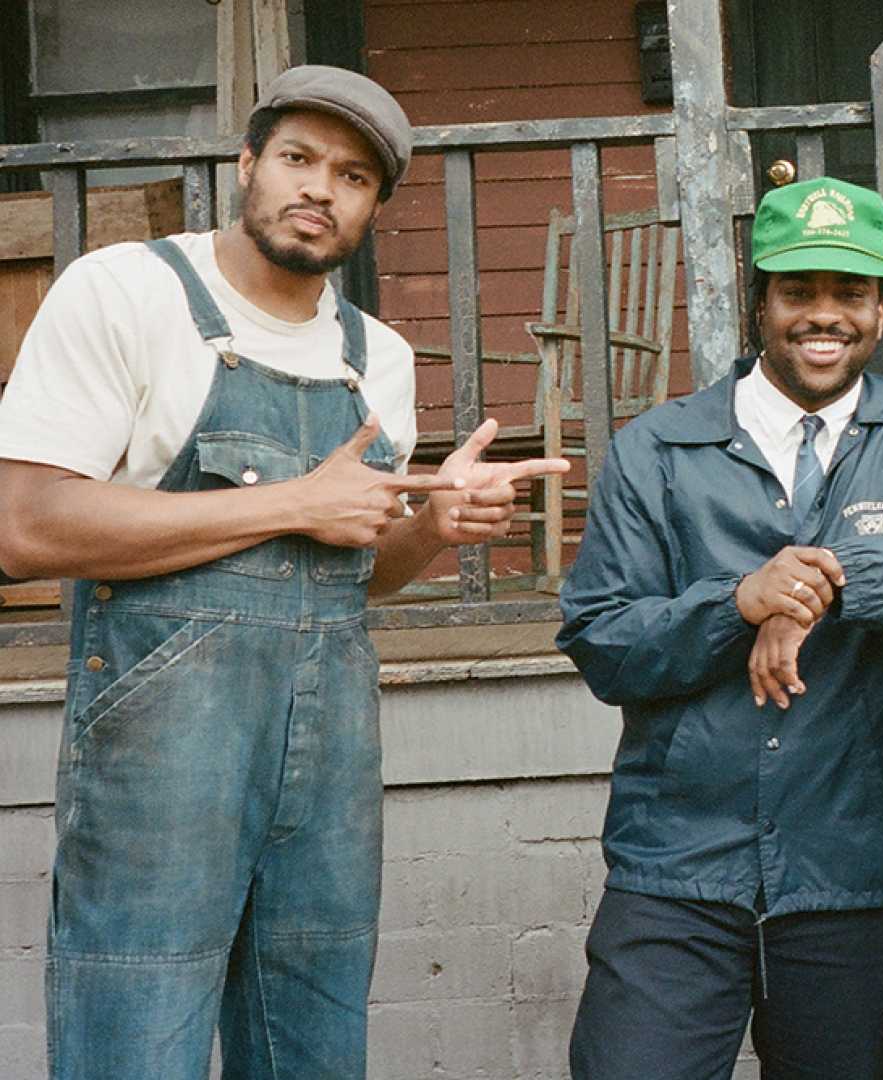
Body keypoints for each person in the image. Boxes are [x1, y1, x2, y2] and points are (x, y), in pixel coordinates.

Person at [0, 65, 565, 1079]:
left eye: (352, 175)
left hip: (326, 756)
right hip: (161, 749)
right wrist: (294, 500)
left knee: (310, 1036)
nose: (319, 188)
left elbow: (359, 573)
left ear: (374, 207)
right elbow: (26, 526)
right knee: (137, 1031)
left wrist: (435, 524)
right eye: (298, 158)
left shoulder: (373, 357)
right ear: (248, 163)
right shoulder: (128, 291)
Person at [556, 176, 883, 1079]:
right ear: (758, 305)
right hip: (679, 865)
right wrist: (738, 601)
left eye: (849, 293)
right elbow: (603, 640)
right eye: (798, 292)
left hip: (851, 865)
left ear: (882, 311)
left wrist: (826, 582)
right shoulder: (657, 450)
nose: (825, 316)